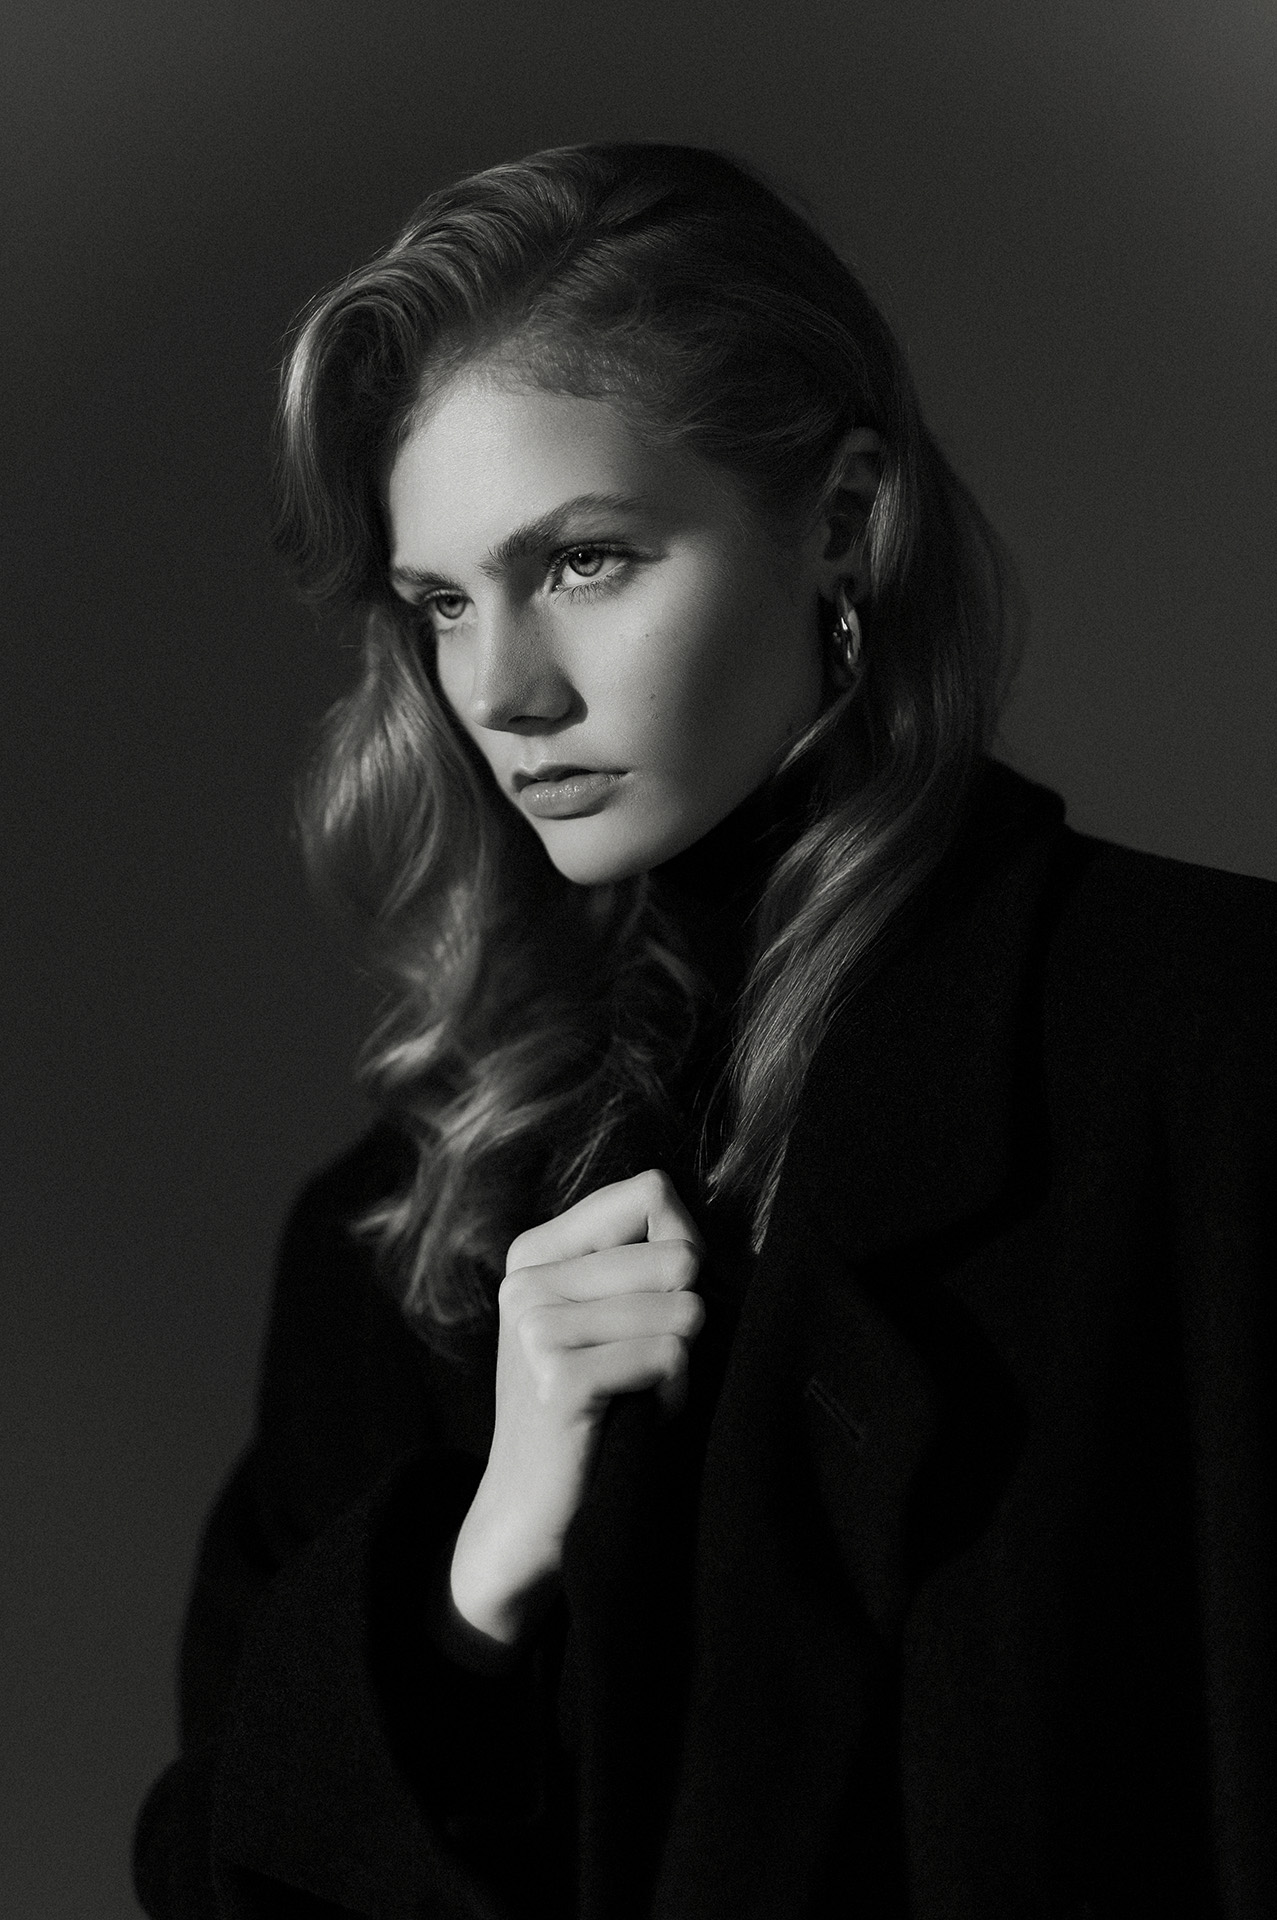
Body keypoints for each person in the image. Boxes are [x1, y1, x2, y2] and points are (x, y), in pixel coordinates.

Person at [133, 143, 1276, 1920]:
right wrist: (476, 1572)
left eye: (585, 560)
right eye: (443, 602)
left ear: (842, 519)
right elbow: (226, 1876)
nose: (500, 690)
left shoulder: (1206, 1047)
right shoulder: (397, 1236)